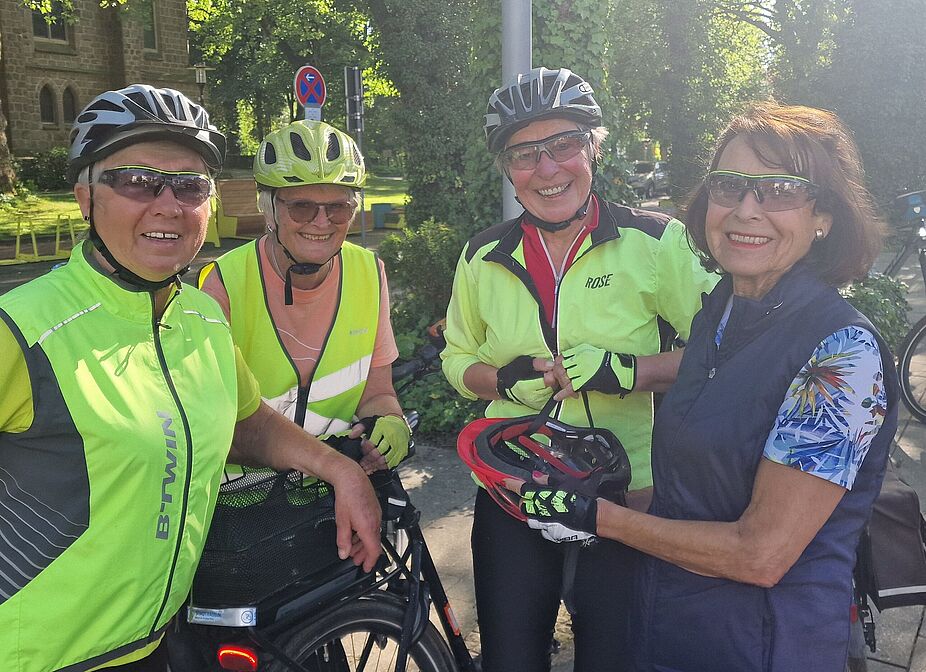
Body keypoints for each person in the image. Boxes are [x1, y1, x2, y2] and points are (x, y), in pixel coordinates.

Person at [0, 85, 381, 672]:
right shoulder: (22, 330)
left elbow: (244, 420)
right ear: (85, 197)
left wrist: (340, 469)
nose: (167, 203)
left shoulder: (197, 314)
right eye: (135, 180)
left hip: (159, 646)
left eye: (190, 184)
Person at [513, 102, 898, 672]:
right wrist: (592, 490)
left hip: (766, 646)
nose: (747, 209)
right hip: (670, 630)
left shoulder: (842, 355)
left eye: (781, 190)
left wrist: (601, 518)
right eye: (731, 186)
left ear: (825, 216)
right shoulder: (722, 308)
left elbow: (762, 553)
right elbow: (697, 489)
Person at [440, 67, 718, 672]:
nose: (547, 169)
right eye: (524, 154)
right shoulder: (482, 255)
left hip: (625, 490)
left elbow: (721, 354)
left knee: (614, 658)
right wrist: (503, 379)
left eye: (564, 144)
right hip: (516, 483)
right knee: (510, 658)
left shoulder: (654, 241)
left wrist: (626, 371)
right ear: (505, 169)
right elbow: (457, 361)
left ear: (595, 146)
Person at [198, 119, 407, 476]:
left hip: (332, 494)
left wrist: (389, 420)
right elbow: (211, 420)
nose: (321, 222)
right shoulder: (223, 282)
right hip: (243, 502)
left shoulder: (369, 272)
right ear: (269, 208)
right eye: (302, 207)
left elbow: (377, 393)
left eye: (338, 208)